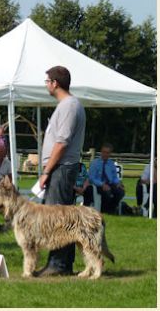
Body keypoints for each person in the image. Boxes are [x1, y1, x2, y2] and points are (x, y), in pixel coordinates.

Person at [37, 66, 86, 277]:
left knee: (57, 218)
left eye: (47, 81)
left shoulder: (69, 106)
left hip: (61, 168)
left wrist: (47, 171)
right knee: (62, 217)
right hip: (59, 168)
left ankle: (58, 264)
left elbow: (62, 142)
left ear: (55, 83)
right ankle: (61, 263)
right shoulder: (66, 105)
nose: (46, 84)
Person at [88, 143, 125, 214]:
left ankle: (111, 210)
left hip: (110, 184)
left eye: (107, 153)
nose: (105, 154)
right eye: (104, 152)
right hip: (97, 184)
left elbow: (114, 177)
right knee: (107, 192)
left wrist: (118, 183)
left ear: (110, 154)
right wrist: (102, 184)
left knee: (120, 192)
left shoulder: (111, 164)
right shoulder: (95, 163)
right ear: (101, 152)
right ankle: (104, 210)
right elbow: (91, 178)